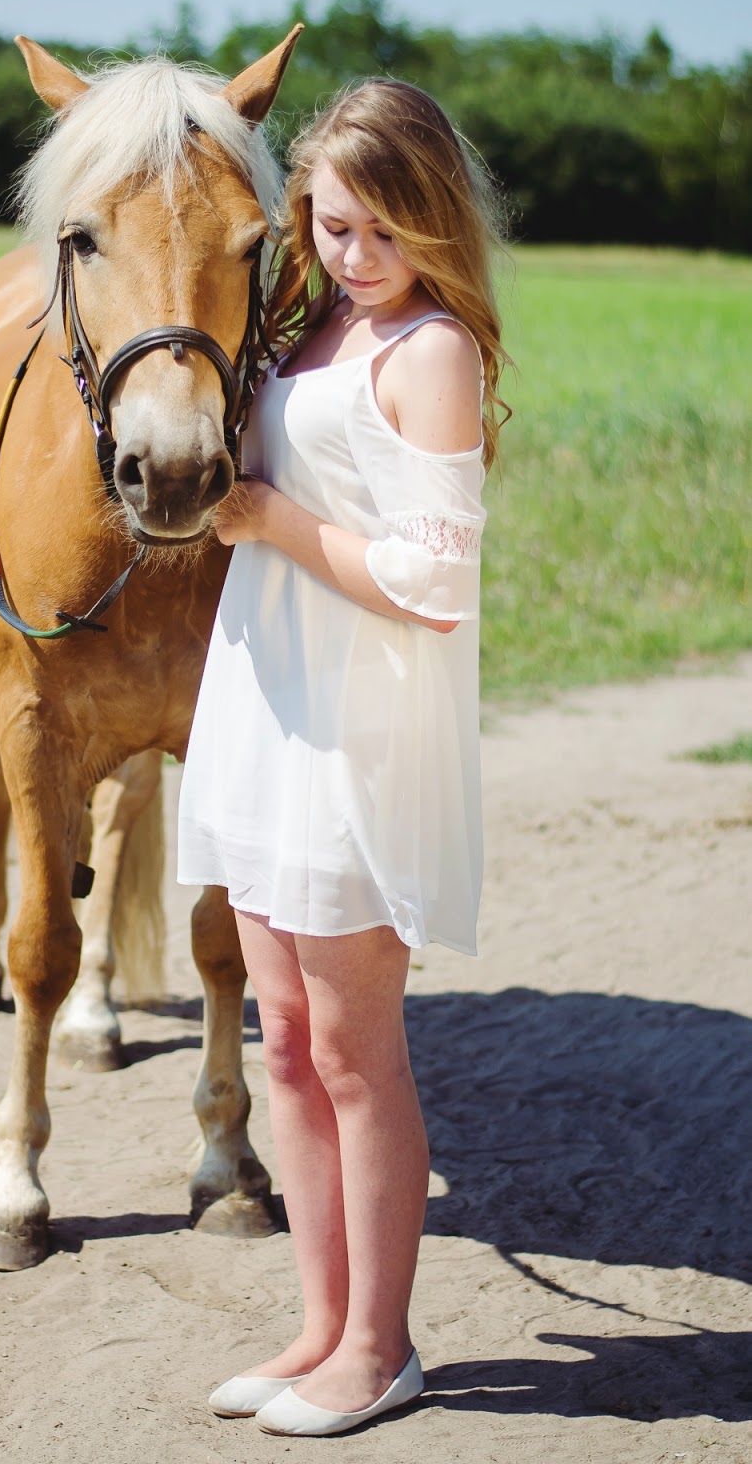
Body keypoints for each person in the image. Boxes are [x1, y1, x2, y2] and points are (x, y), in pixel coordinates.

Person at [176, 78, 511, 1438]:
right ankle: (318, 1327)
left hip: (361, 731)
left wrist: (264, 517)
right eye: (329, 227)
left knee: (360, 1054)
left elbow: (436, 581)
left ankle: (382, 1348)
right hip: (268, 710)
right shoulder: (319, 328)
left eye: (382, 230)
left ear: (431, 222)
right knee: (291, 1045)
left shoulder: (427, 350)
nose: (354, 256)